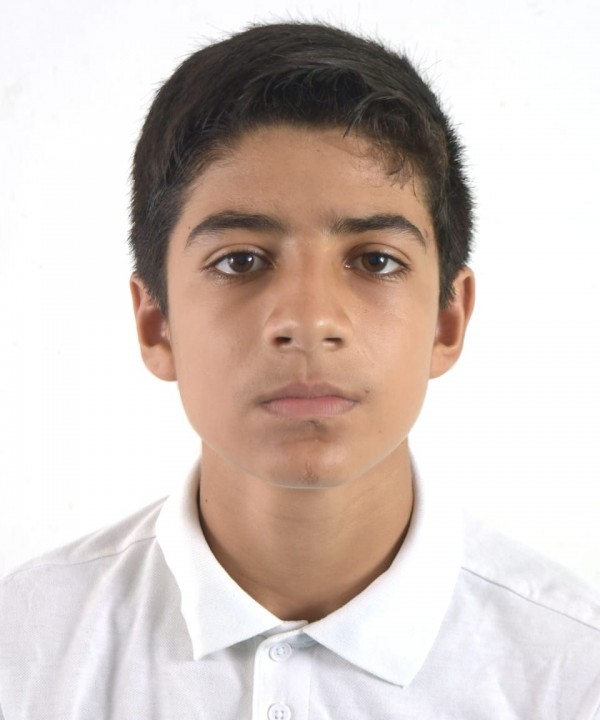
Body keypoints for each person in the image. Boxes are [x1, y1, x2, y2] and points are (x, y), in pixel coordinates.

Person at [1, 21, 599, 720]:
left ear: (447, 320)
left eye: (375, 260)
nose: (309, 320)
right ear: (156, 323)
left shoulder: (573, 674)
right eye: (240, 261)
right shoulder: (25, 652)